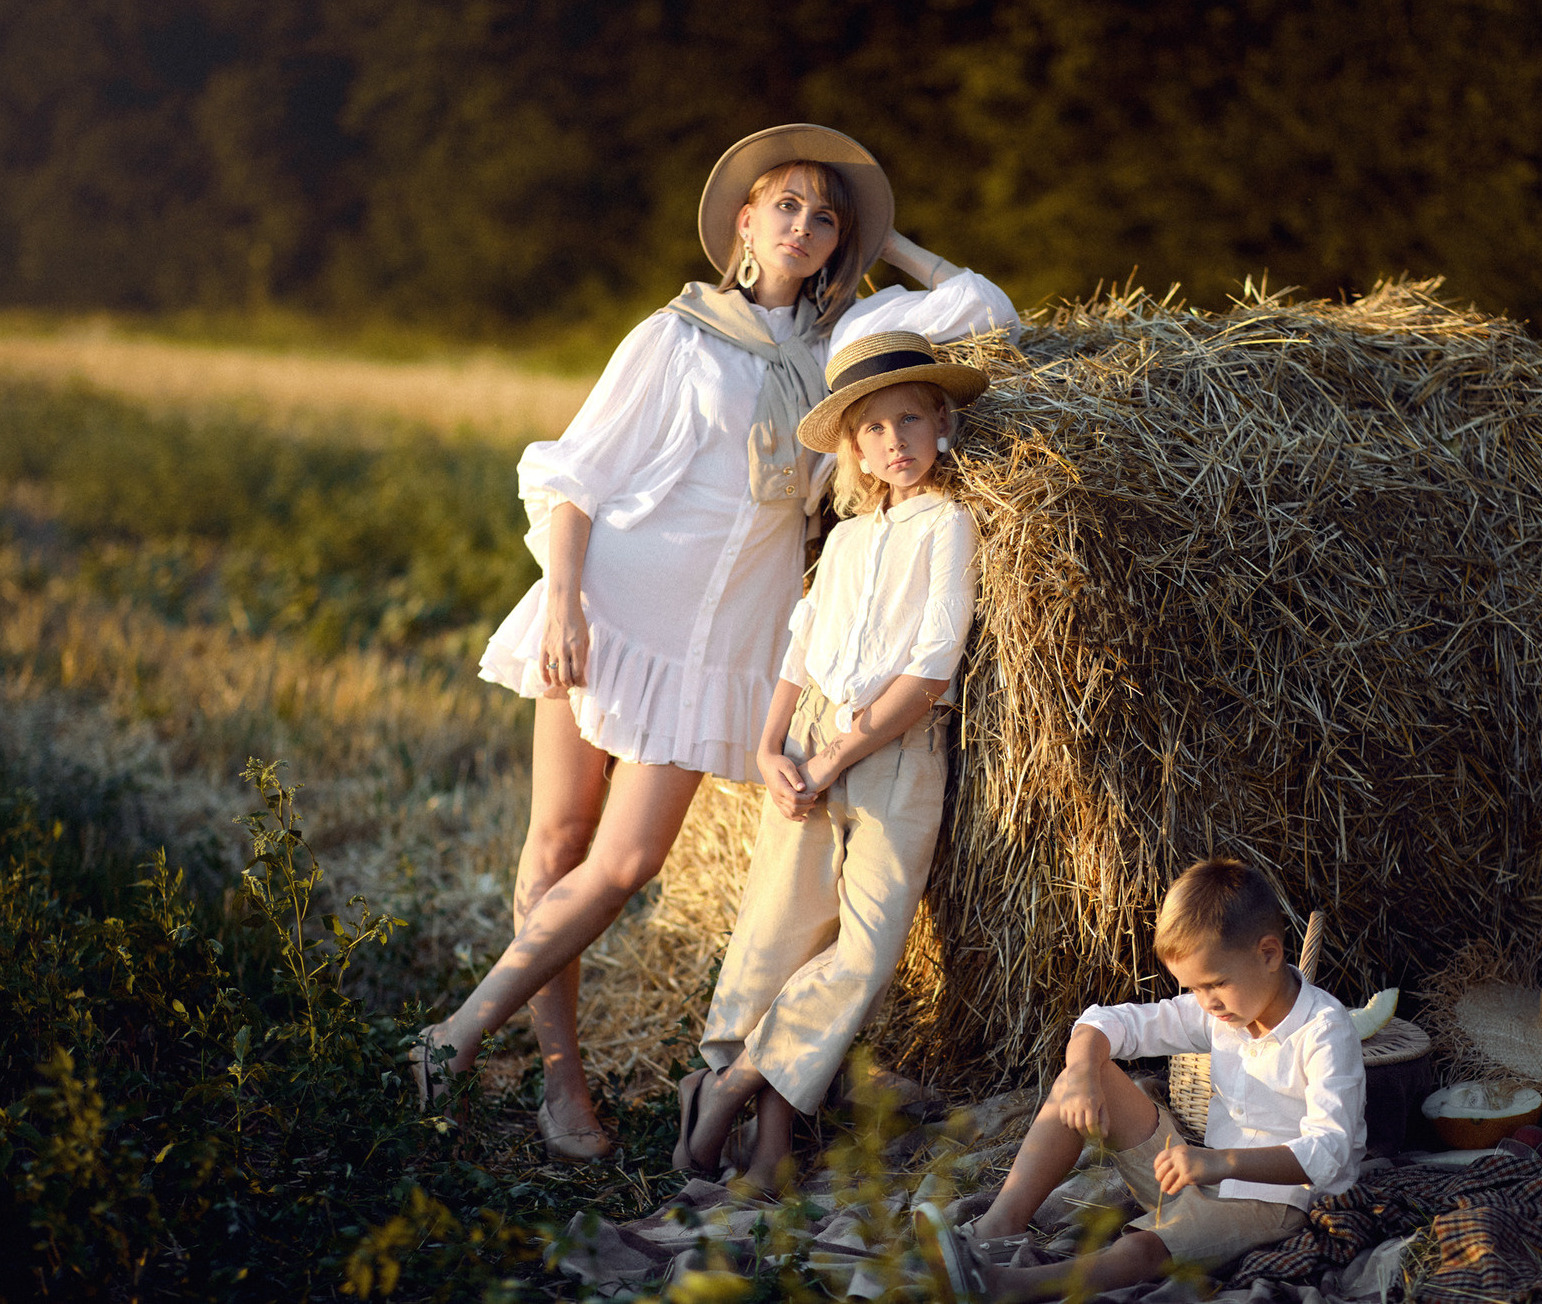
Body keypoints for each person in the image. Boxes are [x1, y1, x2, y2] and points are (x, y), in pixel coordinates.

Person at [415, 125, 1018, 1162]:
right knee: (558, 847)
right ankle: (560, 1085)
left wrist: (889, 241)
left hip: (720, 640)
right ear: (741, 221)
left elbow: (987, 310)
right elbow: (574, 470)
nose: (802, 225)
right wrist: (561, 597)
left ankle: (452, 1033)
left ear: (839, 244)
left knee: (626, 861)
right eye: (784, 205)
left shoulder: (840, 343)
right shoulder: (675, 335)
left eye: (825, 216)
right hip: (613, 603)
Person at [674, 331, 986, 1192]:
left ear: (942, 423)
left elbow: (933, 664)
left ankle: (731, 1081)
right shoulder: (846, 538)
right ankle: (771, 1144)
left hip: (892, 747)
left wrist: (842, 750)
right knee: (784, 930)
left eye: (910, 420)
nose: (895, 441)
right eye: (874, 428)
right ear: (852, 447)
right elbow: (801, 647)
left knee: (866, 945)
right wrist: (772, 747)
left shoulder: (949, 524)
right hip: (811, 738)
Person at [914, 859, 1366, 1302]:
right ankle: (994, 1233)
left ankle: (999, 1289)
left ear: (1269, 953)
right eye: (1192, 989)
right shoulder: (1222, 1010)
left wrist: (1223, 1162)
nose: (1205, 1002)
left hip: (1278, 1205)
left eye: (1215, 984)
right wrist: (1085, 1075)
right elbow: (1111, 1023)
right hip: (1197, 1176)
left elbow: (1331, 1151)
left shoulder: (1324, 1029)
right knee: (1087, 1071)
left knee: (1141, 1247)